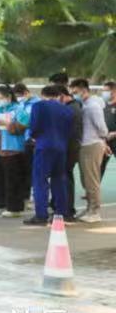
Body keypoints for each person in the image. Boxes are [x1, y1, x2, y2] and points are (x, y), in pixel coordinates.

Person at [24, 85, 74, 226]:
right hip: (61, 147)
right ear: (58, 95)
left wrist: (34, 137)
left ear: (43, 95)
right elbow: (69, 130)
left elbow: (34, 127)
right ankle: (60, 213)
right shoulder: (67, 110)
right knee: (59, 180)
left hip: (44, 146)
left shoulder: (38, 106)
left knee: (40, 180)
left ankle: (41, 215)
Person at [0, 86, 27, 217]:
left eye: (1, 98)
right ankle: (0, 204)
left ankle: (14, 208)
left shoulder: (19, 110)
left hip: (12, 148)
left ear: (9, 97)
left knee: (12, 178)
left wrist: (8, 124)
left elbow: (24, 125)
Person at [72, 78, 107, 223]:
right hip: (85, 145)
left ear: (84, 90)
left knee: (91, 180)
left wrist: (103, 140)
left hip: (92, 145)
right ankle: (89, 208)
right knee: (85, 179)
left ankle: (95, 211)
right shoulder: (84, 104)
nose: (74, 94)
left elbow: (102, 128)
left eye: (76, 92)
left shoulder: (93, 106)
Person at [55, 81, 83, 223]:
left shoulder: (70, 109)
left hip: (68, 148)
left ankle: (67, 211)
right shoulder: (74, 107)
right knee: (66, 177)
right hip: (71, 146)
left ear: (61, 96)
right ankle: (66, 209)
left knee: (65, 178)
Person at [11, 83, 40, 207]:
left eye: (20, 95)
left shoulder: (37, 104)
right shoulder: (19, 105)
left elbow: (31, 121)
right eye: (17, 96)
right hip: (21, 141)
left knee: (33, 169)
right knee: (23, 170)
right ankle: (25, 196)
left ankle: (35, 196)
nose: (19, 98)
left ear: (27, 92)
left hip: (32, 140)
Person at [103, 81, 116, 180]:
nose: (104, 93)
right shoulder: (103, 106)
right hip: (105, 141)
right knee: (99, 167)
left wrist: (114, 134)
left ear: (114, 91)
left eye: (106, 91)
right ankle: (94, 188)